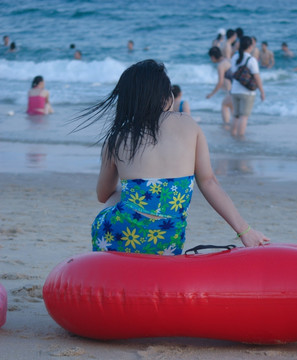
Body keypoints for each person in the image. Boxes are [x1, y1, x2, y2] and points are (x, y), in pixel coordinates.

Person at [77, 59, 268, 255]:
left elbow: (103, 195)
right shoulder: (187, 124)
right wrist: (245, 231)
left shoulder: (117, 137)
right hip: (167, 239)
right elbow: (209, 182)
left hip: (118, 235)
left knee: (120, 193)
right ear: (166, 96)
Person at [230, 36, 265, 137]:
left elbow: (233, 72)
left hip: (235, 91)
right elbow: (257, 77)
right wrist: (262, 92)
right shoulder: (251, 60)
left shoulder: (234, 57)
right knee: (243, 117)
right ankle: (240, 139)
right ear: (250, 46)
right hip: (247, 92)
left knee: (235, 116)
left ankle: (233, 137)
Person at [207, 46, 234, 124]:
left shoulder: (221, 66)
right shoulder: (228, 60)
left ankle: (226, 125)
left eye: (210, 58)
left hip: (235, 89)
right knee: (231, 106)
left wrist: (211, 94)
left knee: (224, 105)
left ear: (213, 57)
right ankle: (234, 123)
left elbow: (220, 82)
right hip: (238, 87)